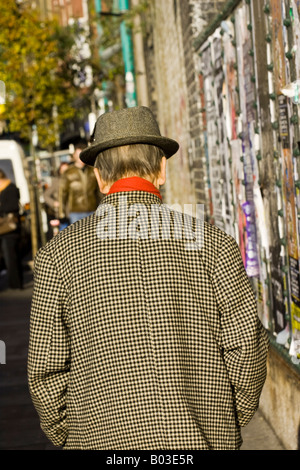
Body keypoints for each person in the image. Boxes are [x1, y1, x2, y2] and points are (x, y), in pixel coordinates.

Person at [28, 106, 269, 450]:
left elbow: (45, 369)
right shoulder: (214, 243)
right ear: (162, 169)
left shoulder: (58, 255)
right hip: (200, 438)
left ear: (99, 177)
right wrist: (226, 419)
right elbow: (247, 347)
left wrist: (68, 436)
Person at [58, 142, 100, 225]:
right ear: (74, 156)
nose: (80, 158)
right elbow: (62, 193)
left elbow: (99, 191)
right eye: (78, 156)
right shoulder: (68, 173)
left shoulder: (92, 171)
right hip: (76, 213)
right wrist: (61, 213)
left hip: (93, 210)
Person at [0, 169, 23, 289]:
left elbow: (13, 206)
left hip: (9, 228)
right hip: (3, 228)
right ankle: (13, 282)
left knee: (11, 256)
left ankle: (16, 284)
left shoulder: (10, 188)